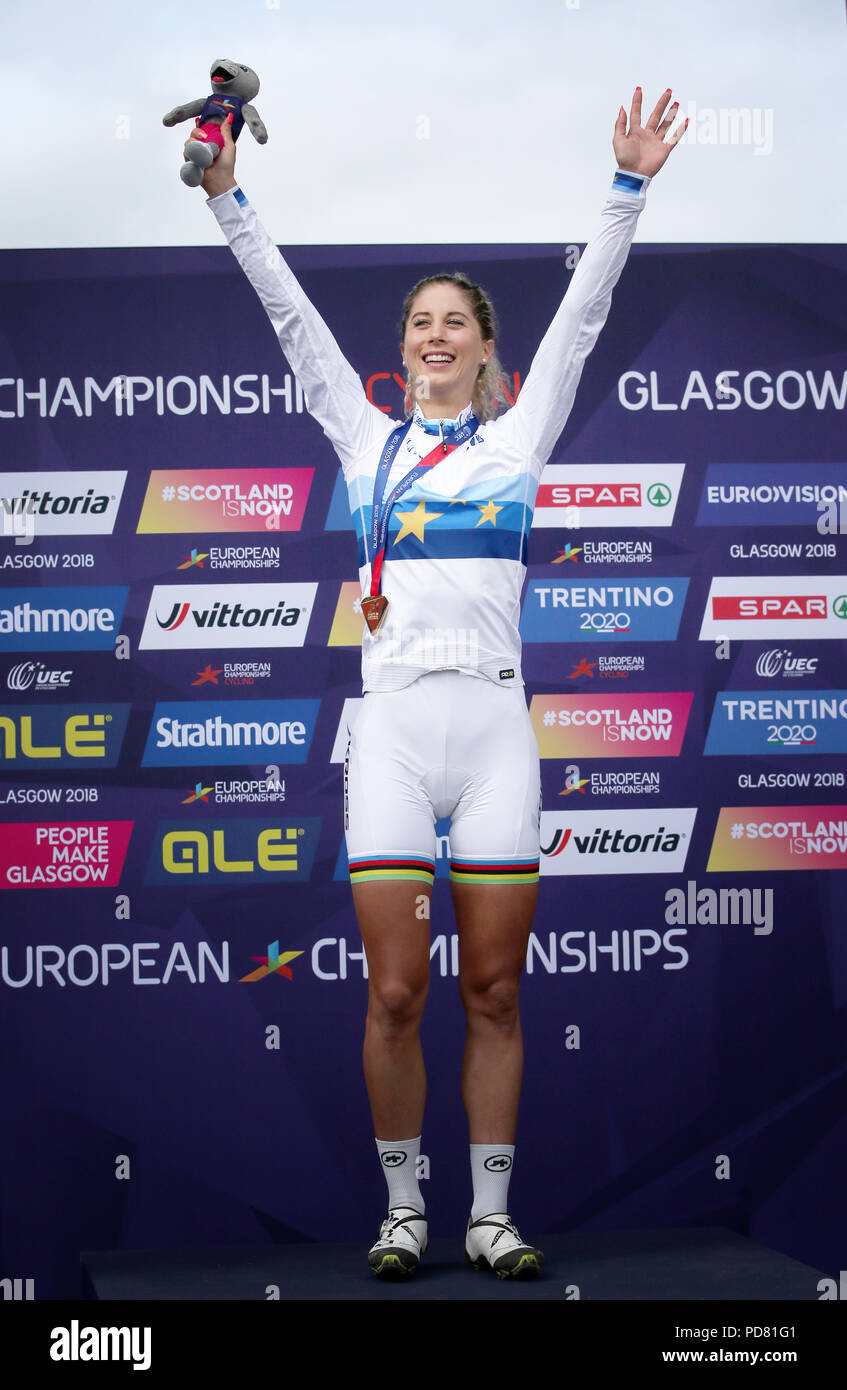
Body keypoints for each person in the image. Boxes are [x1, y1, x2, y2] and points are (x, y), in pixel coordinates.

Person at [185, 88, 686, 1279]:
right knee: (400, 991)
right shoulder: (367, 444)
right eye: (419, 322)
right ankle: (406, 1210)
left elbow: (587, 314)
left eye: (455, 321)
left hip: (497, 733)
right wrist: (227, 201)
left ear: (483, 344)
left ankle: (490, 1217)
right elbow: (289, 318)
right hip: (399, 739)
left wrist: (626, 189)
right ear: (402, 345)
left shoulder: (521, 440)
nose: (435, 337)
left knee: (499, 990)